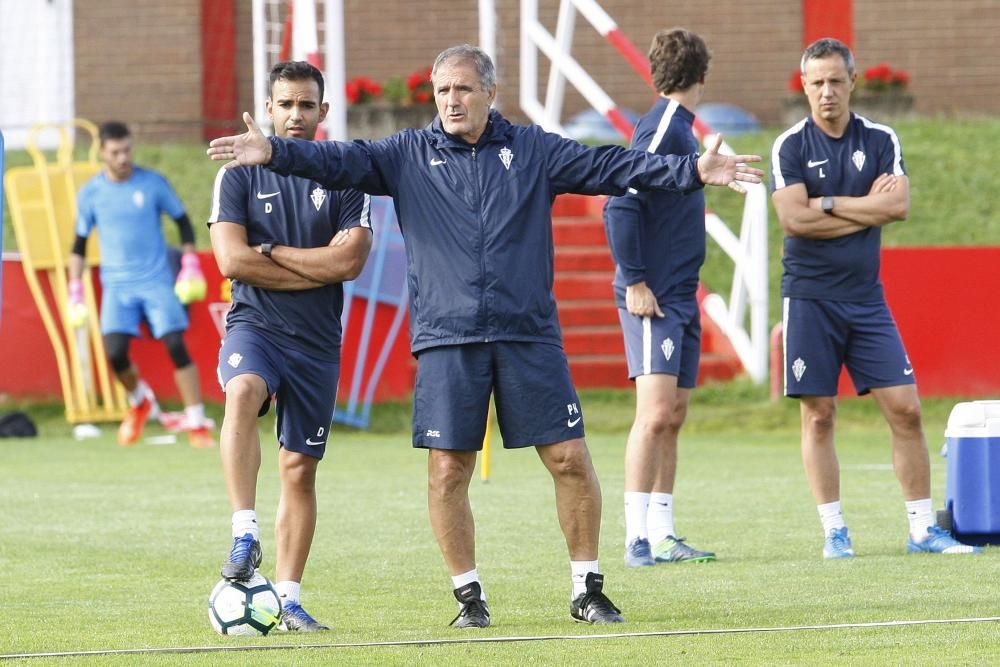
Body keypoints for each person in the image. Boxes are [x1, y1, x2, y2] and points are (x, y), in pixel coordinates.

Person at [208, 44, 762, 627]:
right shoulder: (405, 154)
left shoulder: (532, 149)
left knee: (570, 459)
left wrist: (691, 171)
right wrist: (272, 150)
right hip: (447, 338)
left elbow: (610, 168)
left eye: (464, 89)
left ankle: (586, 587)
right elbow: (336, 161)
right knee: (448, 470)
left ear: (490, 94)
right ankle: (469, 598)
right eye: (443, 90)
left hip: (528, 335)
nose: (452, 100)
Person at [771, 38, 981, 558]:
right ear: (804, 86)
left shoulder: (881, 138)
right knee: (819, 413)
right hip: (810, 298)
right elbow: (794, 220)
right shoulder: (790, 147)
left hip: (866, 299)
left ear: (853, 81)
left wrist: (831, 206)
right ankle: (834, 531)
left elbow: (899, 206)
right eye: (817, 83)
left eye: (835, 81)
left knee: (906, 409)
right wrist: (866, 204)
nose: (826, 92)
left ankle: (920, 530)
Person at [208, 61, 372, 632]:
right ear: (269, 108)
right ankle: (243, 531)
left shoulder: (347, 176)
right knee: (243, 392)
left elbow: (350, 261)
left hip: (318, 343)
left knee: (300, 471)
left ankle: (288, 597)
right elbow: (231, 261)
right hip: (256, 325)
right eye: (286, 105)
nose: (296, 115)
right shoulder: (237, 177)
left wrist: (270, 253)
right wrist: (314, 267)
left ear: (322, 112)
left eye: (307, 105)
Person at [604, 28, 718, 568]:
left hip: (680, 293)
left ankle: (664, 532)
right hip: (654, 295)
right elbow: (620, 201)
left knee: (672, 415)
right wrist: (634, 280)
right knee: (652, 416)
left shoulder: (683, 129)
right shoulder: (666, 127)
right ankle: (635, 538)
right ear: (703, 75)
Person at [69, 121, 215, 449]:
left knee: (176, 345)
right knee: (115, 353)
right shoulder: (91, 193)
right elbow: (78, 244)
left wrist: (189, 263)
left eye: (127, 150)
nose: (123, 157)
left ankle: (196, 422)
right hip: (117, 286)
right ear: (103, 153)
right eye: (115, 152)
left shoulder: (152, 184)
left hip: (155, 279)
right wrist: (74, 288)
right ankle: (140, 401)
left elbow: (183, 224)